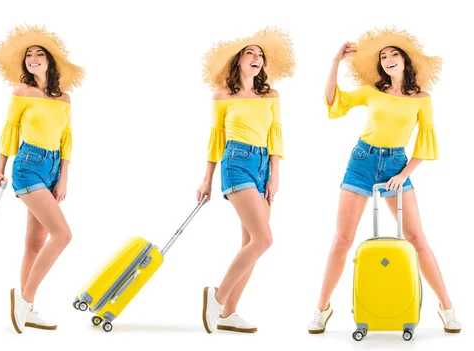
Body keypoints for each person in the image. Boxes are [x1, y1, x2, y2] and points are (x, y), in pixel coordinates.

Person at [308, 27, 461, 334]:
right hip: (362, 162)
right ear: (381, 67)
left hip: (396, 165)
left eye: (394, 54)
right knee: (342, 240)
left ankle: (447, 308)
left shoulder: (422, 99)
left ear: (405, 60)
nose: (389, 59)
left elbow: (425, 144)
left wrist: (403, 175)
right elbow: (333, 101)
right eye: (383, 57)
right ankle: (321, 309)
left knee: (417, 239)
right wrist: (335, 61)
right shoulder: (372, 91)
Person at [197, 27, 295, 334]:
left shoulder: (272, 96)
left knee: (251, 243)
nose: (256, 58)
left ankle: (228, 313)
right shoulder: (222, 96)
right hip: (236, 163)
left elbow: (276, 136)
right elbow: (216, 139)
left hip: (264, 166)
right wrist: (206, 179)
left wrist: (275, 176)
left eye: (260, 55)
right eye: (250, 53)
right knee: (264, 239)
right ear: (238, 61)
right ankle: (217, 297)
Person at [0, 24, 85, 334]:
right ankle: (24, 298)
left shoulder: (64, 99)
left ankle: (26, 309)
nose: (33, 58)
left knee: (35, 242)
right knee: (63, 235)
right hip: (28, 165)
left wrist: (64, 178)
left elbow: (67, 138)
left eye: (39, 54)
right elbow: (10, 130)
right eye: (29, 55)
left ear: (50, 63)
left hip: (53, 169)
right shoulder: (21, 91)